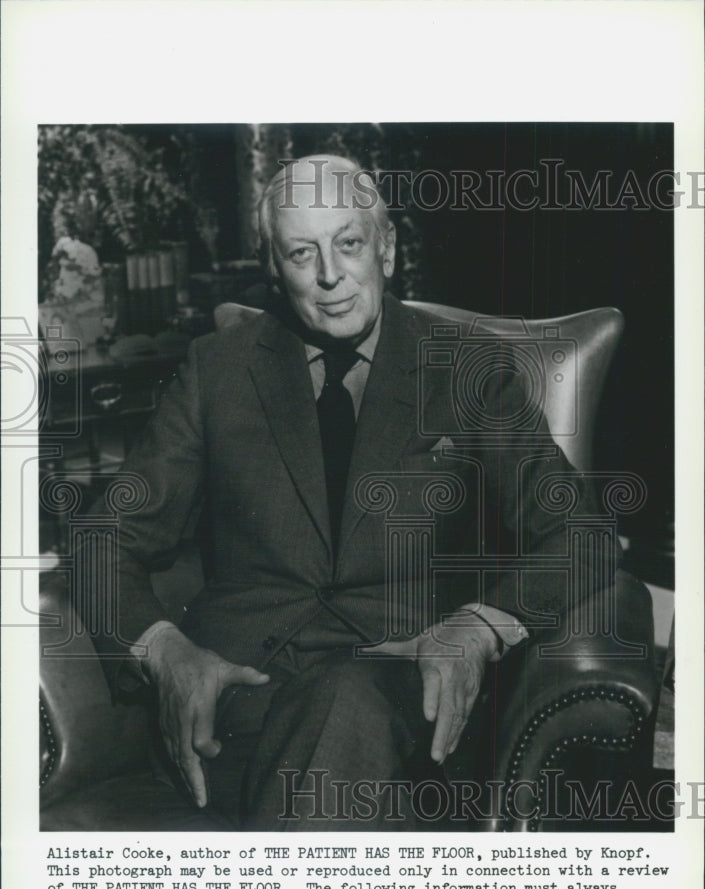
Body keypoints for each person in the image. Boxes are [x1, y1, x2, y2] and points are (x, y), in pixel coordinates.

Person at [86, 155, 612, 830]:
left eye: (349, 244)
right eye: (302, 253)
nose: (330, 276)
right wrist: (163, 649)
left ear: (385, 248)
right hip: (236, 703)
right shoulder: (216, 370)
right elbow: (106, 537)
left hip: (397, 696)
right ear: (274, 268)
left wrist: (478, 628)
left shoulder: (466, 370)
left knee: (345, 699)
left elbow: (581, 535)